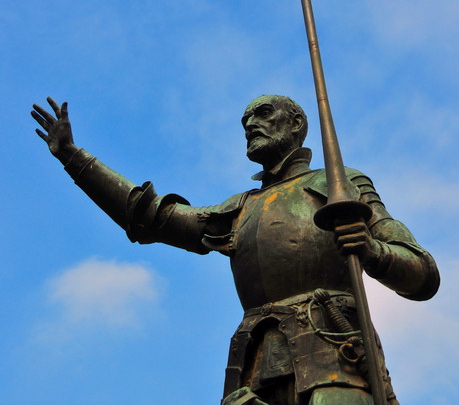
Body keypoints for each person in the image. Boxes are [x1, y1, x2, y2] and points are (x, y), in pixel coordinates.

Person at [31, 94, 439, 405]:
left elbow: (422, 273)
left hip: (336, 361)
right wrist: (74, 157)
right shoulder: (240, 208)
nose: (249, 123)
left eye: (262, 114)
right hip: (255, 369)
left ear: (297, 124)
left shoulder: (339, 183)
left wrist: (372, 251)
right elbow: (150, 217)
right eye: (245, 119)